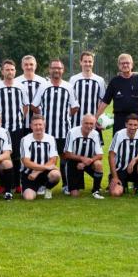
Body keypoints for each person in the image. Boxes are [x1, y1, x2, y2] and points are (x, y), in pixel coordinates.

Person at [32, 59, 79, 194]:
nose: (56, 70)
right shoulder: (43, 86)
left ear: (62, 70)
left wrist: (65, 116)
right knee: (45, 159)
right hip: (46, 132)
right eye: (54, 68)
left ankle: (66, 185)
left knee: (65, 158)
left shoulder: (68, 86)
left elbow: (75, 106)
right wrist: (43, 118)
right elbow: (34, 106)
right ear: (49, 70)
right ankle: (42, 184)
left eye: (59, 68)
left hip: (63, 130)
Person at [0, 59, 30, 194]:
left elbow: (25, 106)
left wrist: (19, 119)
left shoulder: (21, 86)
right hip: (2, 129)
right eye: (7, 70)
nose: (9, 72)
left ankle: (17, 184)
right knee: (2, 157)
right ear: (2, 71)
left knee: (17, 157)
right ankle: (4, 185)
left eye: (12, 69)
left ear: (15, 71)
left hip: (17, 128)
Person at [97, 53, 138, 134]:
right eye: (122, 63)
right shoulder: (114, 81)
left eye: (127, 63)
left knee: (134, 144)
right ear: (119, 65)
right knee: (119, 144)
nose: (125, 65)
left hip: (134, 120)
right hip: (119, 120)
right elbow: (105, 101)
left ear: (132, 64)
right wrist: (96, 117)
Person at [108, 114, 138, 197]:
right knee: (116, 193)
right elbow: (111, 156)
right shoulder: (119, 134)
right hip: (120, 169)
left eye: (135, 125)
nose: (133, 127)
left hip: (133, 169)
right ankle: (119, 184)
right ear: (126, 124)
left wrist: (135, 159)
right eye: (130, 124)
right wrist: (115, 177)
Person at [19, 115, 61, 201]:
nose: (38, 127)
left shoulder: (51, 139)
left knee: (56, 174)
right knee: (28, 198)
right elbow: (26, 162)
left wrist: (37, 172)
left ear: (44, 125)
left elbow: (53, 160)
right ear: (31, 126)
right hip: (29, 174)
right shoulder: (25, 140)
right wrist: (45, 167)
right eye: (35, 125)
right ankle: (33, 187)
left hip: (44, 173)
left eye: (40, 124)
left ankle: (47, 188)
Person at [63, 114, 105, 199]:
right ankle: (69, 185)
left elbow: (100, 155)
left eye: (91, 124)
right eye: (86, 123)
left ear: (94, 124)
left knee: (98, 164)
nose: (89, 126)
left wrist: (87, 162)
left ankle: (96, 190)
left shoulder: (96, 134)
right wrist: (82, 159)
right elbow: (67, 154)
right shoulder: (72, 132)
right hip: (73, 161)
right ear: (82, 122)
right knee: (75, 195)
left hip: (88, 161)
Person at [69, 51, 106, 134]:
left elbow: (102, 103)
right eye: (85, 61)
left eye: (90, 61)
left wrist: (99, 119)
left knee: (93, 145)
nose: (87, 64)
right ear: (80, 62)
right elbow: (70, 101)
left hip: (93, 122)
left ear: (93, 63)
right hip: (76, 121)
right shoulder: (73, 79)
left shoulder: (100, 80)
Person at [14, 55, 48, 128]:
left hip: (38, 122)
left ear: (35, 66)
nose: (29, 67)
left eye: (31, 64)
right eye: (26, 64)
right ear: (22, 66)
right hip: (20, 122)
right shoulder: (16, 81)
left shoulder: (43, 82)